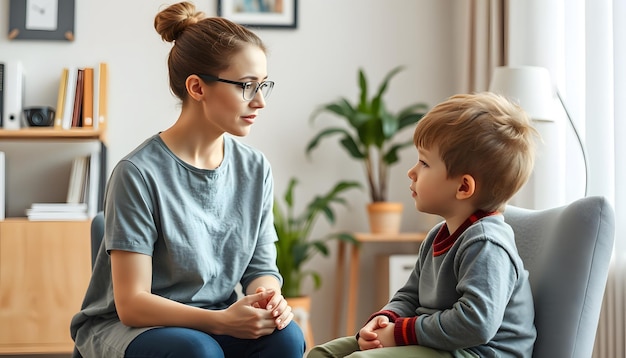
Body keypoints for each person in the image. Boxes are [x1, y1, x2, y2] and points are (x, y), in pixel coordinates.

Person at [70, 2, 305, 357]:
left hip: (215, 320)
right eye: (246, 86)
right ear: (197, 87)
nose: (260, 102)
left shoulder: (255, 169)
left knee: (287, 338)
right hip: (133, 327)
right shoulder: (137, 173)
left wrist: (268, 298)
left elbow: (261, 267)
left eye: (263, 85)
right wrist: (224, 322)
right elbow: (132, 304)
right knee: (196, 351)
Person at [309, 92, 539, 358]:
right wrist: (385, 319)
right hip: (437, 345)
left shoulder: (486, 243)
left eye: (424, 162)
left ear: (463, 187)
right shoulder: (437, 236)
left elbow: (476, 323)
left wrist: (399, 332)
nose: (412, 172)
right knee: (323, 354)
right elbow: (409, 296)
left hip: (476, 353)